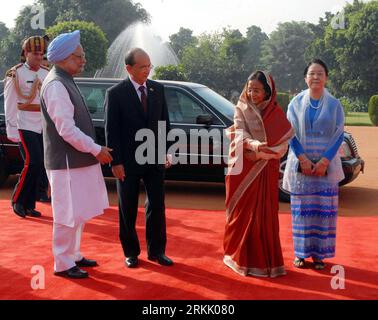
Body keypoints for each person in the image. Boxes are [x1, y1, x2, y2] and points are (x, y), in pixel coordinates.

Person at [40, 30, 113, 279]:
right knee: (65, 214)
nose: (83, 61)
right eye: (78, 57)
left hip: (76, 161)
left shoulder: (65, 79)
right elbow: (67, 130)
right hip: (66, 163)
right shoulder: (56, 85)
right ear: (63, 58)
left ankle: (74, 254)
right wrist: (96, 149)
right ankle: (62, 262)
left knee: (78, 212)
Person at [105, 48, 173, 268]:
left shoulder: (157, 89)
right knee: (128, 207)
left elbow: (164, 123)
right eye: (142, 67)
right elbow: (111, 130)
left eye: (149, 66)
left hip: (154, 158)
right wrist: (115, 162)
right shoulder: (116, 93)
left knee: (157, 205)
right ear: (129, 68)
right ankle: (131, 252)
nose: (147, 70)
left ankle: (157, 251)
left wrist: (166, 152)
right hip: (127, 161)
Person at [223, 71, 294, 278]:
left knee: (264, 216)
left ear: (267, 92)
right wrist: (254, 146)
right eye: (250, 88)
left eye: (257, 90)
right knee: (243, 214)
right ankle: (239, 257)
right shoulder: (241, 107)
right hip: (244, 169)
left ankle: (265, 262)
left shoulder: (276, 113)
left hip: (266, 171)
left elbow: (282, 145)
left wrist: (263, 154)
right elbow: (239, 132)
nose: (252, 93)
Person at [283, 59, 345, 270]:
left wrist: (324, 161)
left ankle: (319, 255)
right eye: (312, 73)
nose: (316, 77)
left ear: (326, 77)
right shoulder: (295, 103)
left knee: (322, 210)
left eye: (320, 73)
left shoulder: (335, 105)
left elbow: (339, 135)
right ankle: (300, 254)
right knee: (301, 210)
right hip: (302, 168)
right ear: (305, 78)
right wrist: (303, 159)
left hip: (326, 169)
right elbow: (289, 132)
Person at [4, 35, 50, 218]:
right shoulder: (15, 73)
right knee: (33, 162)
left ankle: (29, 204)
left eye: (41, 53)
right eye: (35, 53)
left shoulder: (46, 73)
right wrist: (12, 129)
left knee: (39, 166)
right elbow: (10, 103)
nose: (39, 57)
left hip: (41, 126)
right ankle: (17, 200)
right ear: (26, 53)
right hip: (24, 124)